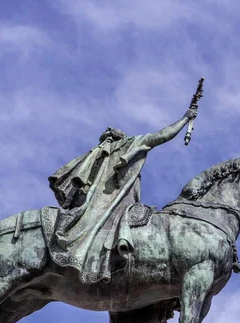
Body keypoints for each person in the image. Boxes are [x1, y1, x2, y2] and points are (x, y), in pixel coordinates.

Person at [42, 108, 197, 283]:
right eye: (111, 129)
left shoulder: (103, 153)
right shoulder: (121, 146)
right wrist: (185, 119)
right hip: (111, 202)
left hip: (107, 201)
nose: (110, 128)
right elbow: (162, 135)